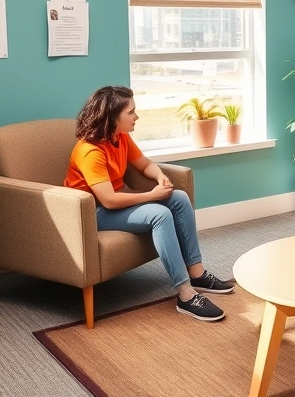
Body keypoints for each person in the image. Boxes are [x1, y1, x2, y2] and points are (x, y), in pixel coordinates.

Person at [64, 86, 233, 322]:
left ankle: (197, 273)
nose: (137, 117)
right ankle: (185, 295)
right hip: (91, 212)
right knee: (159, 214)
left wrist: (159, 177)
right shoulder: (90, 150)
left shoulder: (120, 137)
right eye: (131, 112)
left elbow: (144, 164)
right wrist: (152, 195)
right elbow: (108, 200)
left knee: (179, 197)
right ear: (113, 117)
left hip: (114, 203)